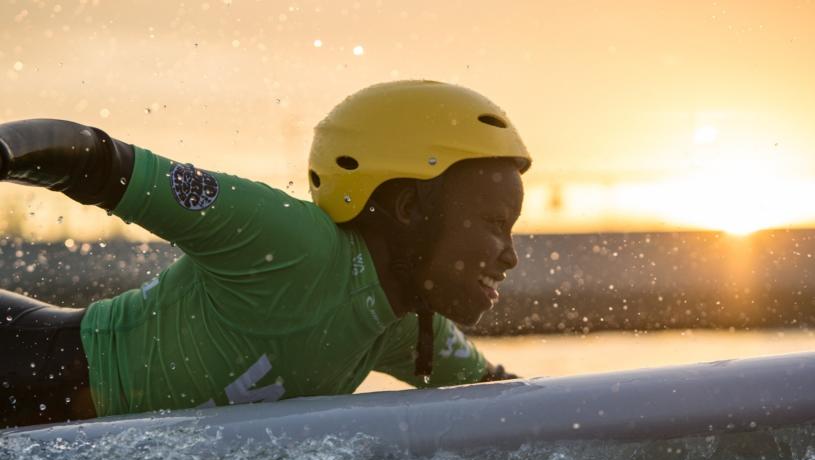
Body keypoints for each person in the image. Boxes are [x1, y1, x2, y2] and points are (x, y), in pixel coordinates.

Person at [0, 80, 531, 428]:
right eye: (493, 224)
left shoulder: (408, 329)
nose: (509, 256)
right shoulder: (287, 241)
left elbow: (518, 407)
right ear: (411, 207)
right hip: (23, 362)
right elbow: (92, 157)